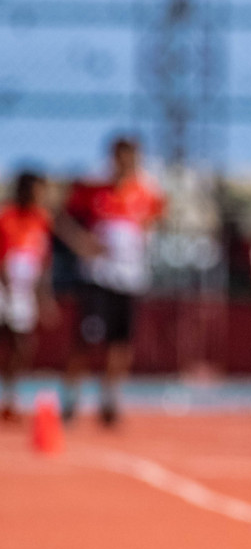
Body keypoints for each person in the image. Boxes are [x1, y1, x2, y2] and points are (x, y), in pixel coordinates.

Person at [55, 136, 165, 426]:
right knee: (87, 338)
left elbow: (159, 218)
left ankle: (110, 399)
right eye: (119, 156)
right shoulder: (93, 190)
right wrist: (81, 243)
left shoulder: (147, 192)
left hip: (130, 279)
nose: (124, 163)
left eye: (130, 157)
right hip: (98, 277)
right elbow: (60, 217)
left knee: (121, 342)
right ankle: (71, 397)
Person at [0, 171, 59, 421]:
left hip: (24, 291)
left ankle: (11, 397)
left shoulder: (43, 220)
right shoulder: (5, 217)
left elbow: (44, 263)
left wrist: (44, 298)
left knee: (23, 346)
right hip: (4, 287)